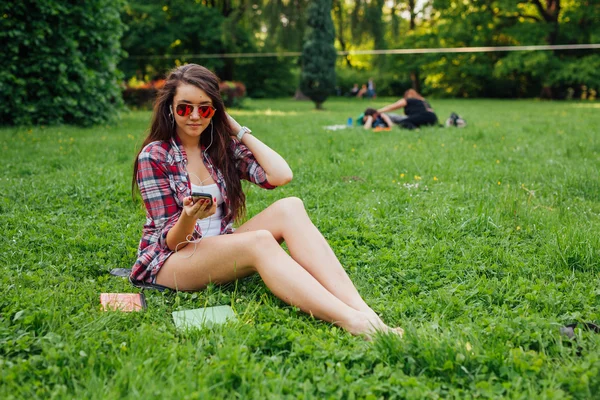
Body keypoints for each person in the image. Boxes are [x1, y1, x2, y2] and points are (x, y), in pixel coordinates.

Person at [130, 64, 403, 338]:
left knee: (290, 207)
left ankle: (363, 311)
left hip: (217, 246)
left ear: (216, 112)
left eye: (206, 108)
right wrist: (189, 217)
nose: (195, 116)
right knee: (259, 240)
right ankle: (352, 322)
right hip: (169, 261)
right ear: (170, 109)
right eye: (184, 108)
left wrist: (237, 130)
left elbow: (280, 175)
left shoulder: (218, 147)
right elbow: (172, 243)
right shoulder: (155, 156)